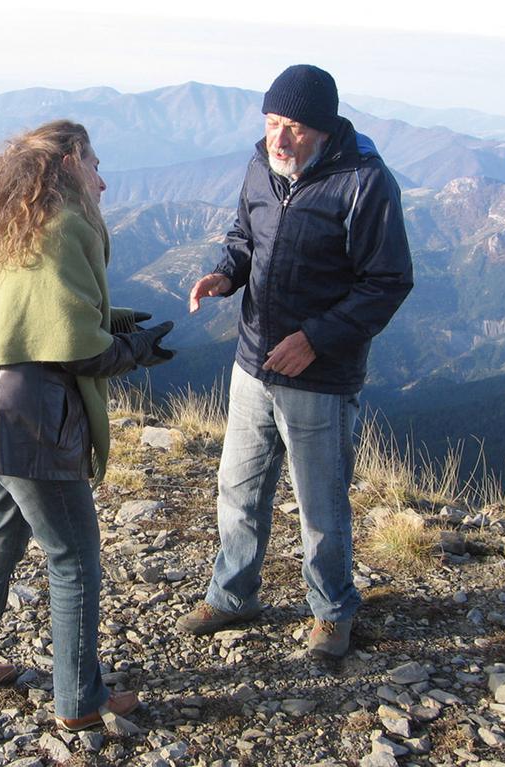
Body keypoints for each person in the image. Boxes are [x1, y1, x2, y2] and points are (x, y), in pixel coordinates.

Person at [0, 120, 175, 729]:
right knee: (73, 558)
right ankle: (80, 702)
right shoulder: (67, 223)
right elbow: (78, 350)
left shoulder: (9, 225)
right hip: (36, 414)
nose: (103, 179)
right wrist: (138, 348)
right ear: (70, 160)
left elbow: (36, 311)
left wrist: (112, 318)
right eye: (95, 164)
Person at [178, 65, 413, 659]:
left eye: (297, 129)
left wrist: (316, 339)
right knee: (238, 490)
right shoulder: (263, 164)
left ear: (326, 129)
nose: (280, 139)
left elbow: (386, 281)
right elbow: (244, 234)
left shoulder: (365, 182)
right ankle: (233, 596)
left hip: (319, 376)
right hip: (252, 363)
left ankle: (333, 610)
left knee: (320, 505)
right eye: (273, 123)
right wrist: (226, 273)